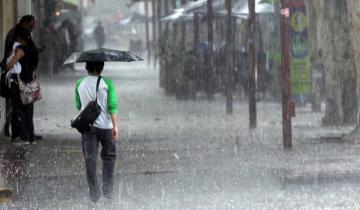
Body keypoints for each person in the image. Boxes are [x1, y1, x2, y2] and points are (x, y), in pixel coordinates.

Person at [75, 61, 119, 202]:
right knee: (109, 157)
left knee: (90, 160)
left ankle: (94, 195)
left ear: (86, 67)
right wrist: (115, 126)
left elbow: (78, 105)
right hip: (106, 127)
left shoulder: (79, 83)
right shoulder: (108, 83)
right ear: (101, 68)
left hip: (88, 127)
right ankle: (108, 192)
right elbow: (112, 105)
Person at [1, 15, 43, 141]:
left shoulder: (21, 43)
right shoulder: (17, 42)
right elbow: (8, 65)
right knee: (20, 107)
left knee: (25, 106)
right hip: (19, 79)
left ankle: (27, 133)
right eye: (30, 26)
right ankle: (19, 133)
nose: (31, 30)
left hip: (25, 78)